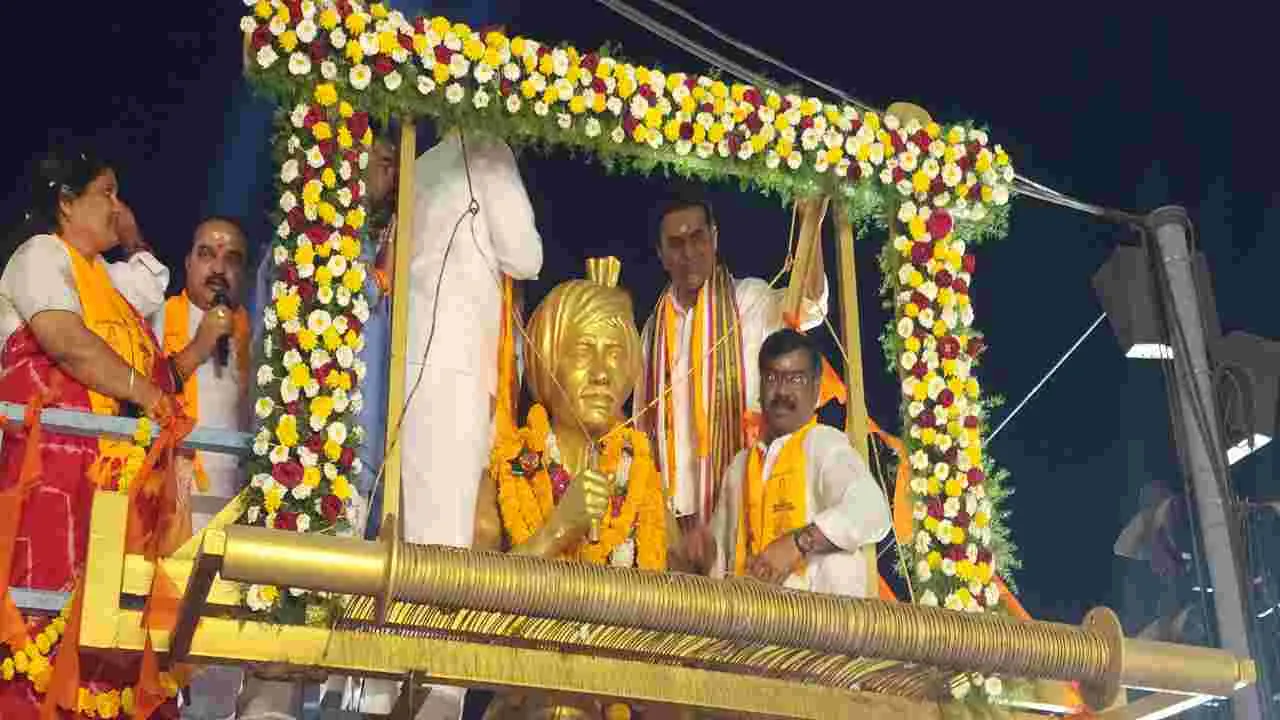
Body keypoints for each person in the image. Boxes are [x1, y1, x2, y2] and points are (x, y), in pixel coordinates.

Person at [352, 126, 543, 720]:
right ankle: (434, 700)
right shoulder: (484, 151)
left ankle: (384, 697)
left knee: (406, 543)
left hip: (408, 374)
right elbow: (527, 254)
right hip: (451, 377)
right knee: (445, 554)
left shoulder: (423, 163)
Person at [0, 147, 181, 719]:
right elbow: (67, 341)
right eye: (106, 192)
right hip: (47, 485)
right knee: (41, 632)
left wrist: (132, 234)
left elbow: (150, 282)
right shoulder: (39, 256)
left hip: (107, 494)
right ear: (65, 202)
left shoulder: (105, 279)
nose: (117, 205)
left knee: (110, 637)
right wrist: (147, 393)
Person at [474, 258, 681, 720]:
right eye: (585, 351)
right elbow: (475, 606)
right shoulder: (506, 469)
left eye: (616, 353)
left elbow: (675, 618)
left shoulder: (644, 483)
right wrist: (555, 531)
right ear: (549, 358)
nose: (604, 373)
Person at [635, 191, 829, 530]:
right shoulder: (652, 331)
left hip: (743, 509)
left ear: (714, 238)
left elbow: (810, 304)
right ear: (661, 255)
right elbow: (641, 426)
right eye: (676, 244)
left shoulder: (749, 299)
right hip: (671, 523)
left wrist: (809, 222)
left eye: (697, 238)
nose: (688, 253)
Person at [685, 329, 891, 596]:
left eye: (795, 379)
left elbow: (871, 510)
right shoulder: (740, 466)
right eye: (772, 378)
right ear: (760, 386)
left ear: (816, 388)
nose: (781, 391)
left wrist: (797, 543)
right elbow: (721, 558)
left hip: (817, 616)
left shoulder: (823, 444)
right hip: (748, 613)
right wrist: (702, 553)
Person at [150, 218, 250, 720]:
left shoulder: (256, 336)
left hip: (235, 515)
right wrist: (199, 345)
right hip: (171, 509)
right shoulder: (157, 319)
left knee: (220, 663)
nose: (218, 268)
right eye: (207, 253)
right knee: (161, 649)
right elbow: (143, 392)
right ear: (187, 262)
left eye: (231, 258)